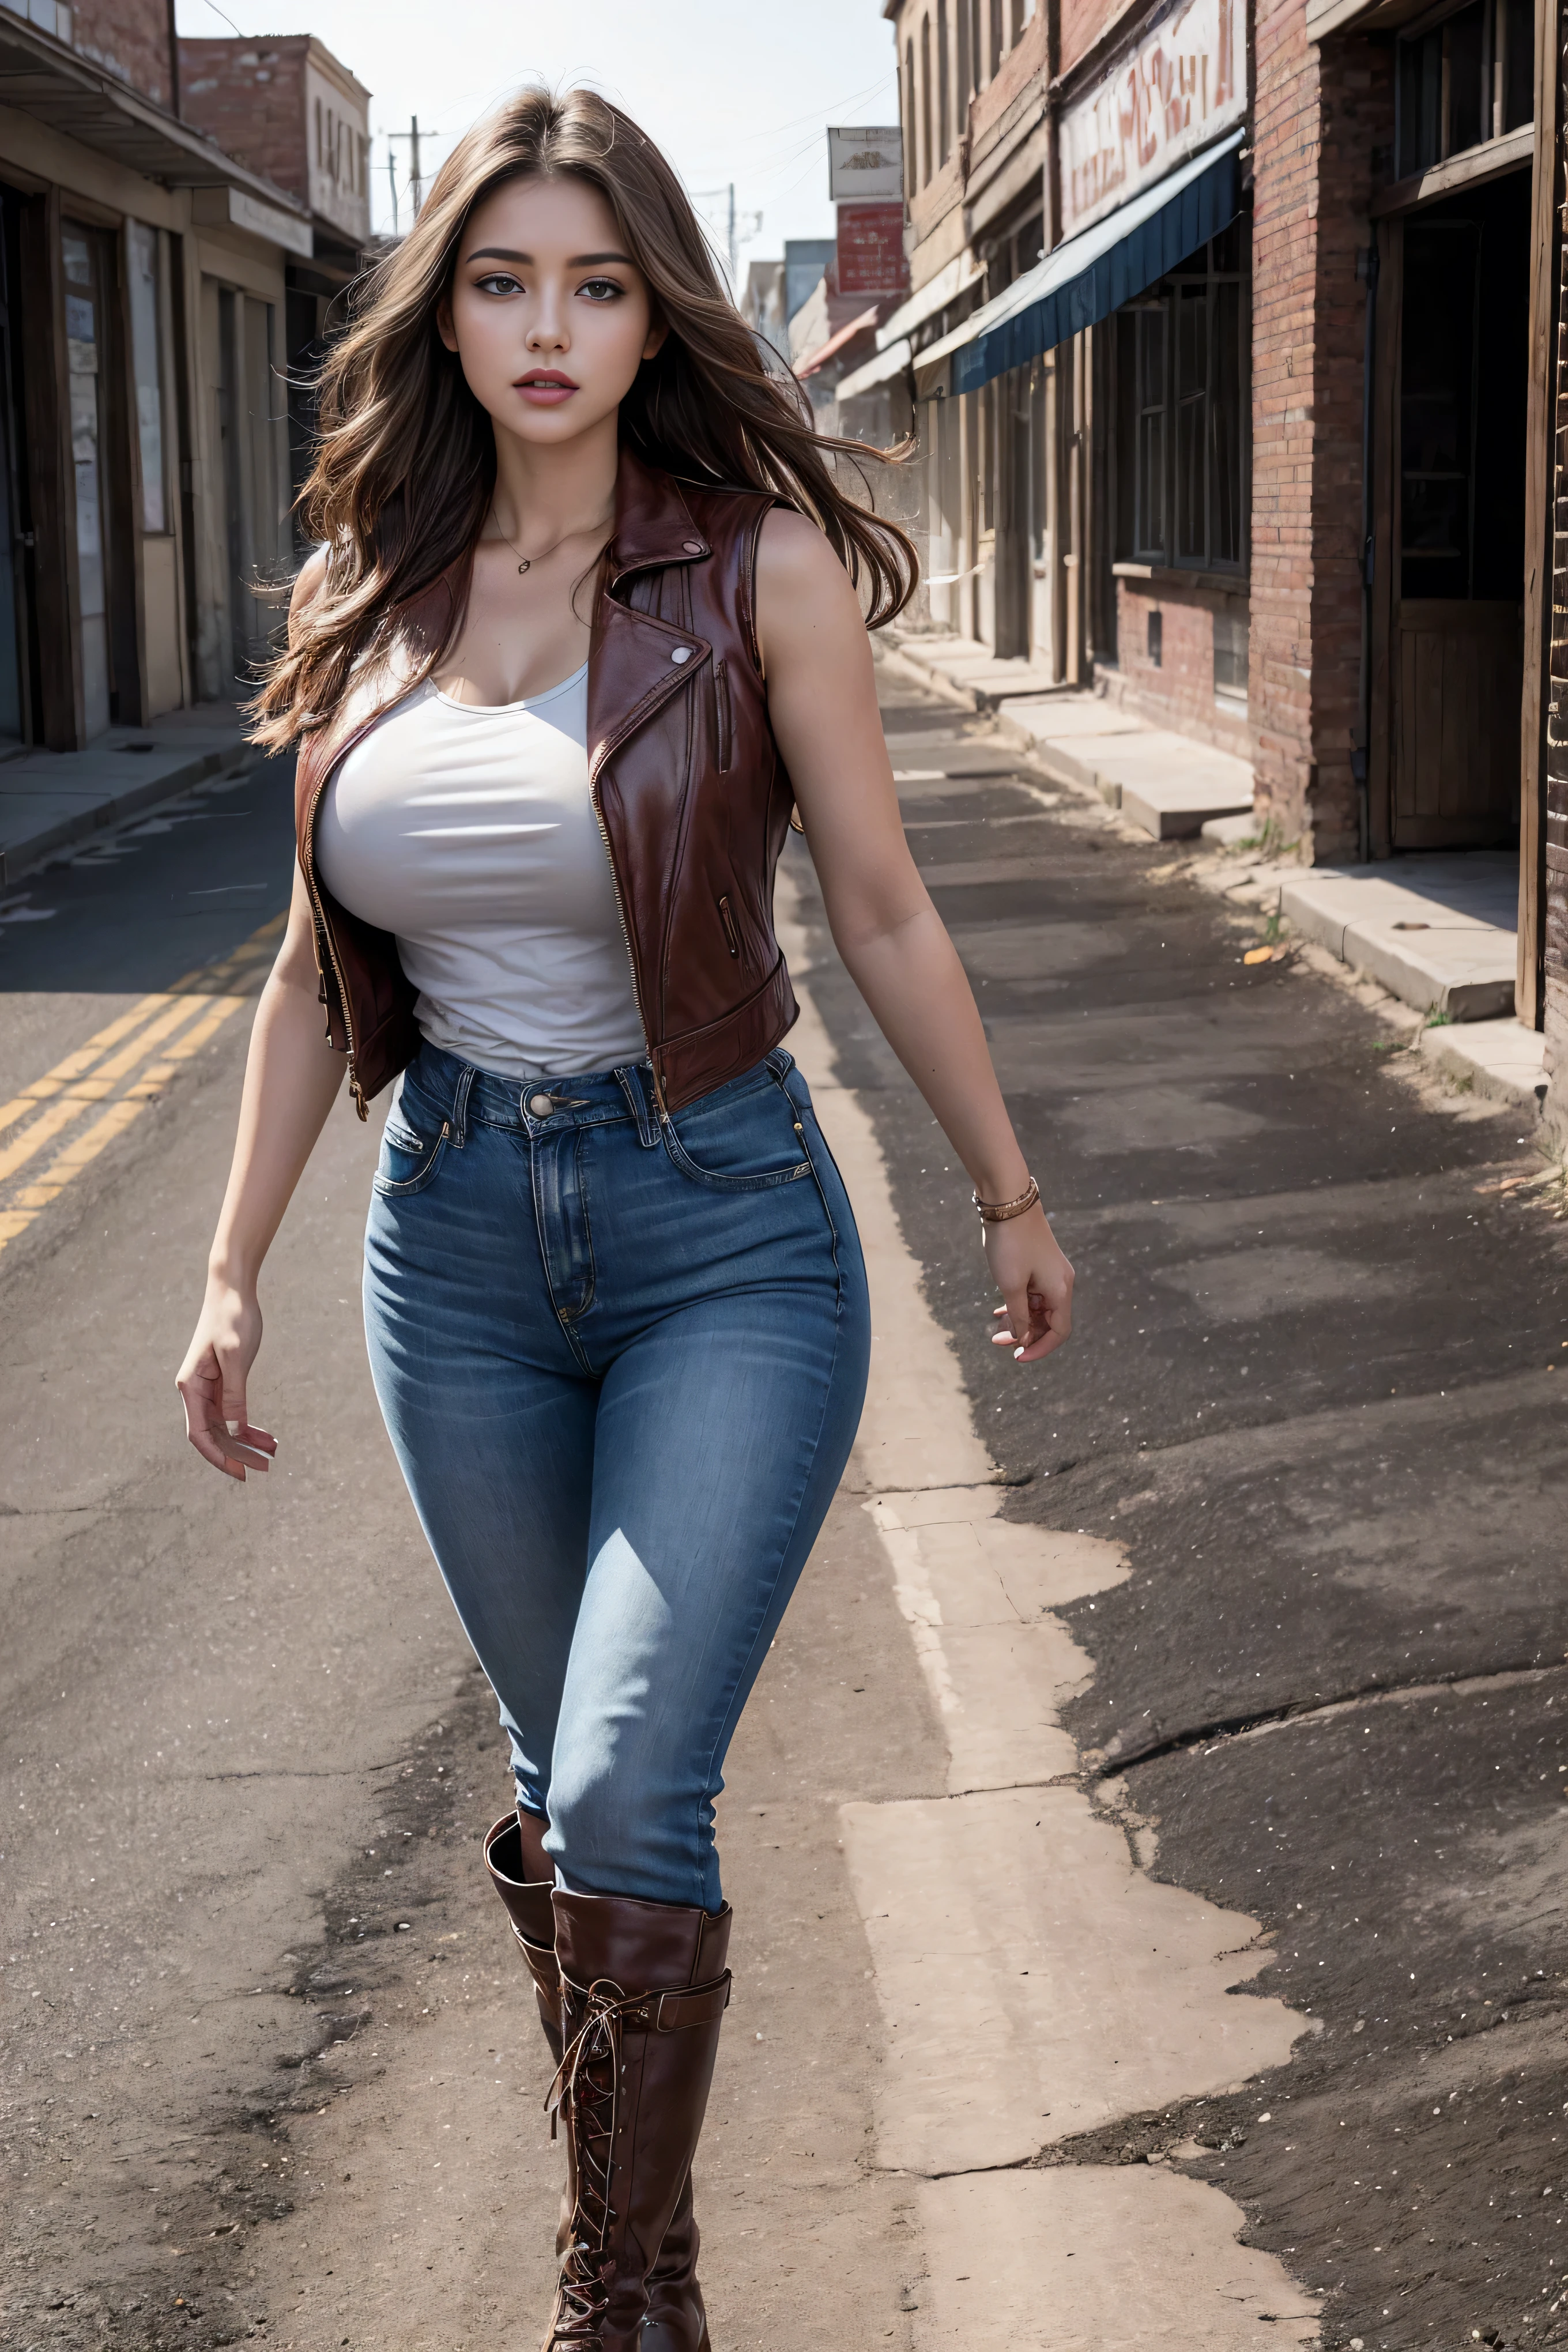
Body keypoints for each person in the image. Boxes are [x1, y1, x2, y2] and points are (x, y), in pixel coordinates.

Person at [175, 85, 1073, 2352]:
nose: (548, 326)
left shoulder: (752, 562)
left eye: (594, 282)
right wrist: (224, 1273)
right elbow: (309, 971)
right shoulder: (357, 594)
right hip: (450, 1239)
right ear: (447, 318)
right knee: (551, 1788)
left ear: (648, 308)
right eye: (500, 282)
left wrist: (1004, 1188)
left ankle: (622, 2298)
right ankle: (631, 2269)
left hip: (719, 1225)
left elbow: (872, 900)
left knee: (619, 1772)